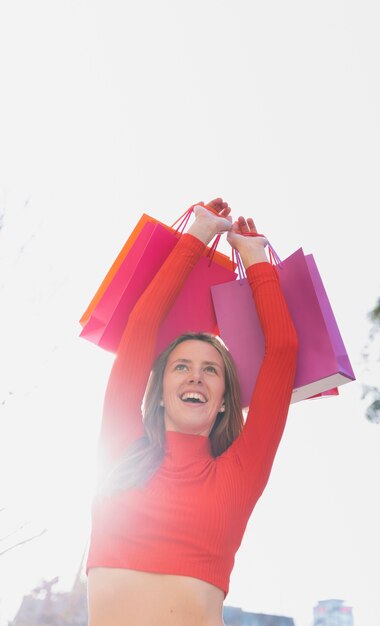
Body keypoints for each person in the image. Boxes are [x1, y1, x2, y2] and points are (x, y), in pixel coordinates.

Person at [86, 199, 298, 626]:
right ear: (160, 390)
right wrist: (197, 235)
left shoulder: (240, 471)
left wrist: (256, 259)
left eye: (211, 371)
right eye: (181, 366)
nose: (195, 378)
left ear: (224, 400)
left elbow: (283, 351)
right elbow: (141, 327)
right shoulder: (121, 447)